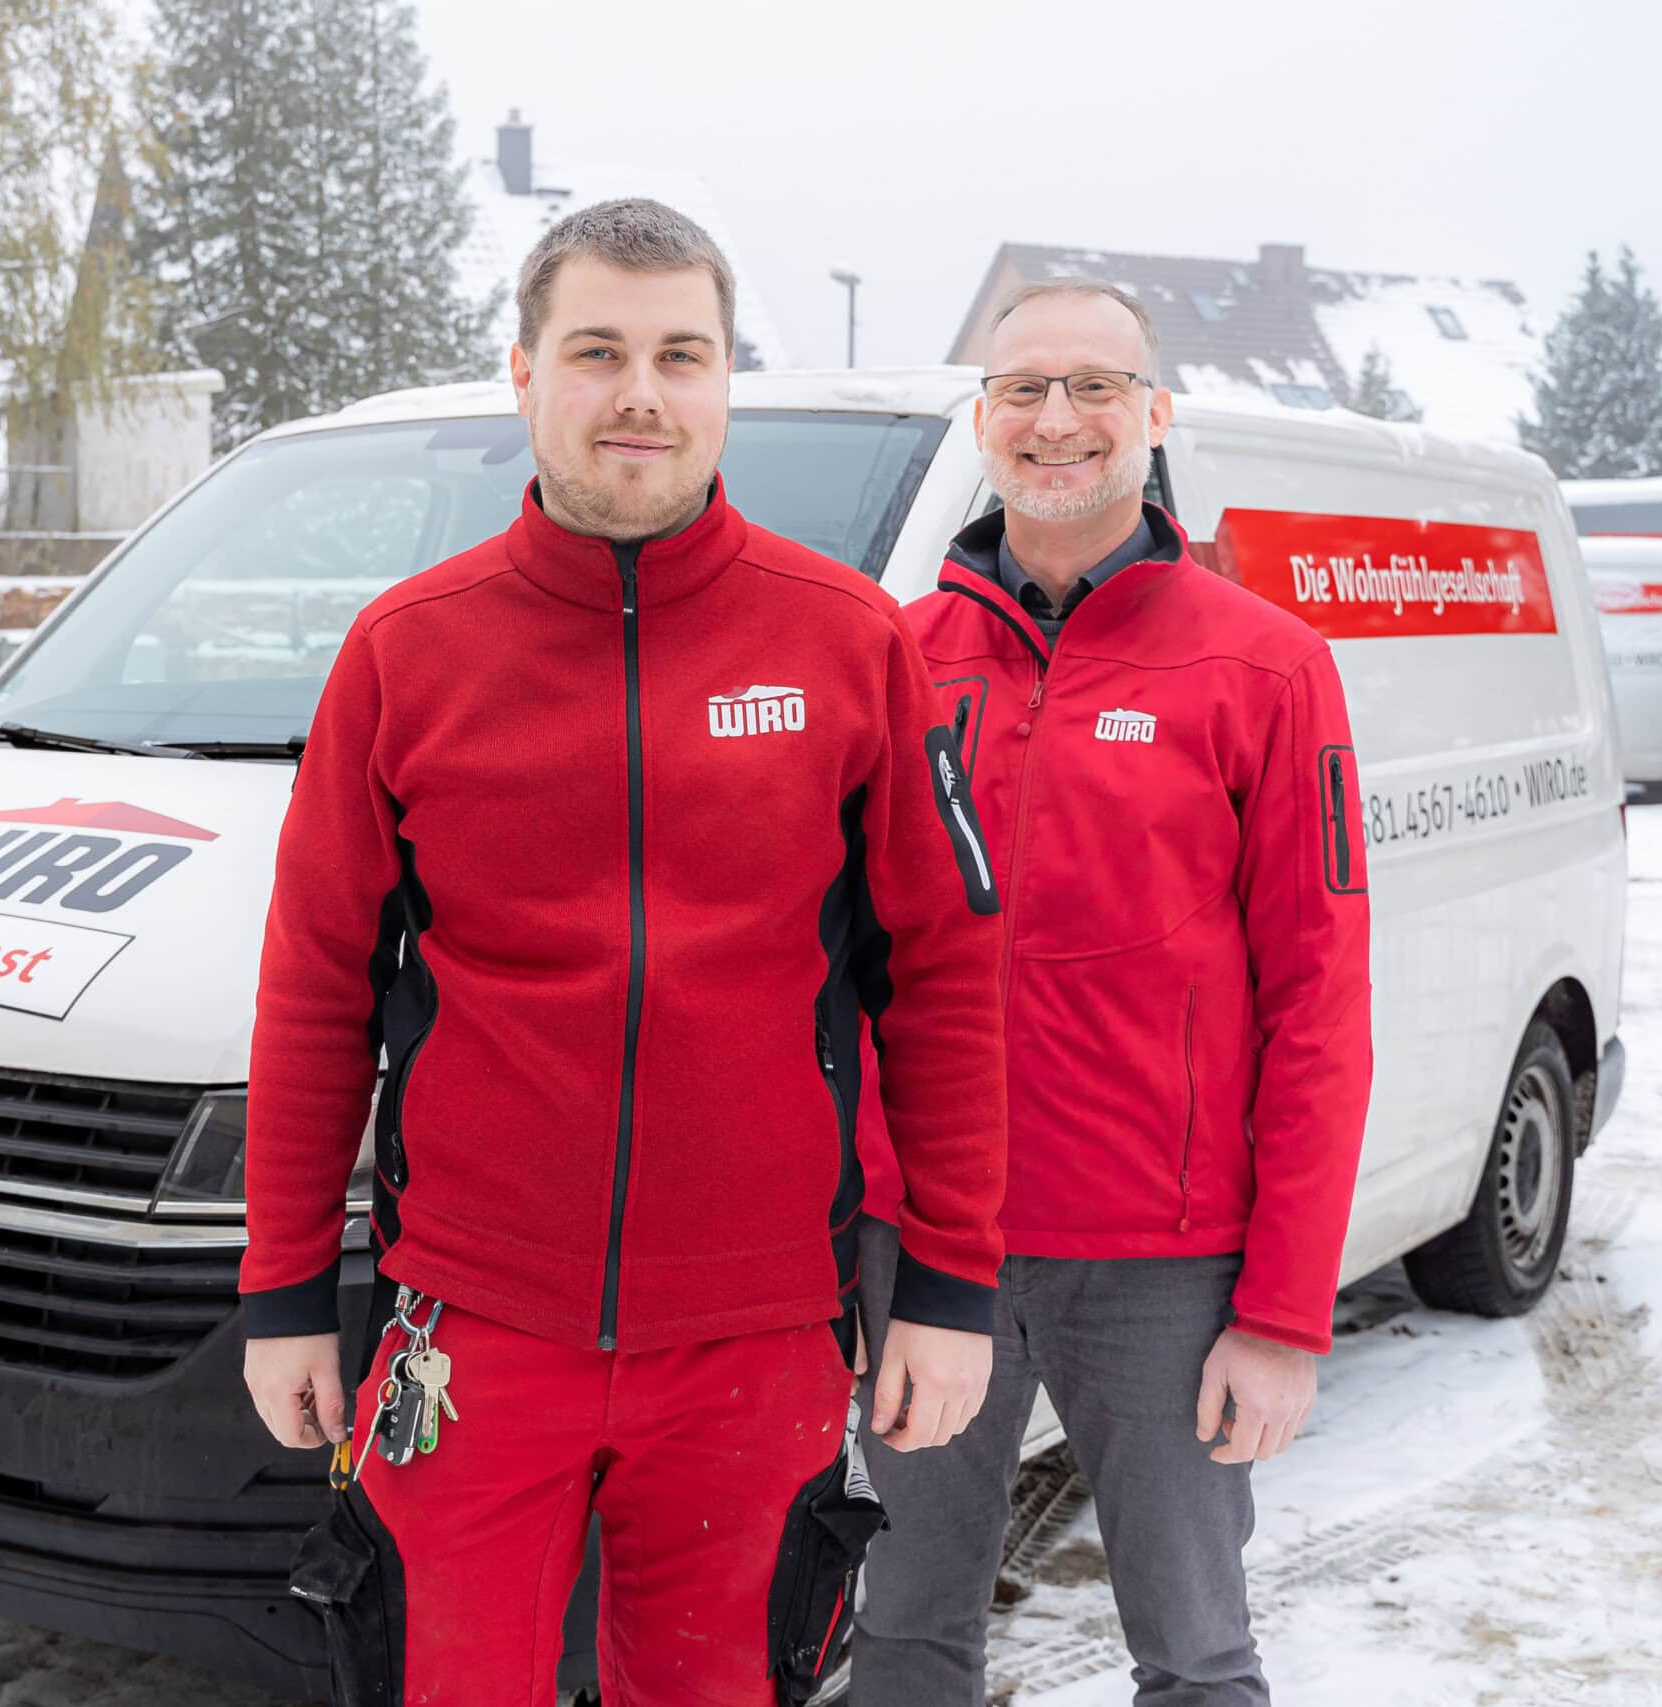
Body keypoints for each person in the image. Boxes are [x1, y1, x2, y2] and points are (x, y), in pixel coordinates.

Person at [240, 197, 1011, 1704]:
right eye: (597, 351)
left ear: (727, 382)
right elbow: (313, 988)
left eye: (681, 354)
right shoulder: (410, 651)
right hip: (470, 1340)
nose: (641, 393)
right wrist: (281, 1291)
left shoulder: (847, 644)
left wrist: (952, 1288)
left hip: (759, 1345)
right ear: (524, 374)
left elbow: (946, 983)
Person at [853, 279, 1375, 1705]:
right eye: (1023, 388)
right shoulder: (902, 661)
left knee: (1197, 1653)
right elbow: (846, 977)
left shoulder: (1266, 668)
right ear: (984, 421)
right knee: (901, 1634)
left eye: (1095, 386)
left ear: (1152, 417)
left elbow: (1320, 1008)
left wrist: (1282, 1314)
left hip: (1166, 1269)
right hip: (932, 1261)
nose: (1057, 419)